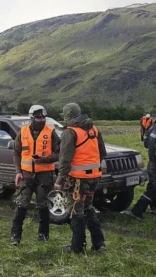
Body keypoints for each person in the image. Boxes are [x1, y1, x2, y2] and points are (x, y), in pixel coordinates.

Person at [55, 103, 107, 253]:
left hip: (78, 180)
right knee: (89, 208)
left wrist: (59, 181)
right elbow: (102, 153)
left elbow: (65, 160)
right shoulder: (94, 129)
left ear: (67, 116)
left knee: (76, 211)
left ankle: (77, 247)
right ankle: (99, 244)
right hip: (94, 177)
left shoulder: (69, 132)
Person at [10, 105, 61, 245]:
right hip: (26, 174)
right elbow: (16, 152)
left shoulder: (51, 132)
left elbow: (59, 152)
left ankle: (43, 235)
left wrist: (45, 159)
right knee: (22, 203)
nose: (42, 119)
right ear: (32, 118)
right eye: (39, 117)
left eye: (44, 117)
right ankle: (15, 236)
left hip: (44, 175)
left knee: (42, 204)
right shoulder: (23, 131)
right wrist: (18, 172)